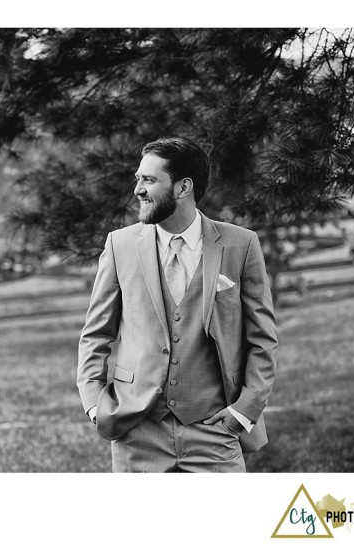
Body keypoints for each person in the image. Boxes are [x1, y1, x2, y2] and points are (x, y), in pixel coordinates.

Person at [76, 137, 277, 472]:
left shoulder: (240, 245)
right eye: (138, 179)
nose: (138, 190)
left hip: (215, 430)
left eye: (149, 180)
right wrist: (95, 404)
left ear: (183, 187)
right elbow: (96, 334)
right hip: (137, 431)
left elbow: (262, 339)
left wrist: (244, 409)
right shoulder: (120, 245)